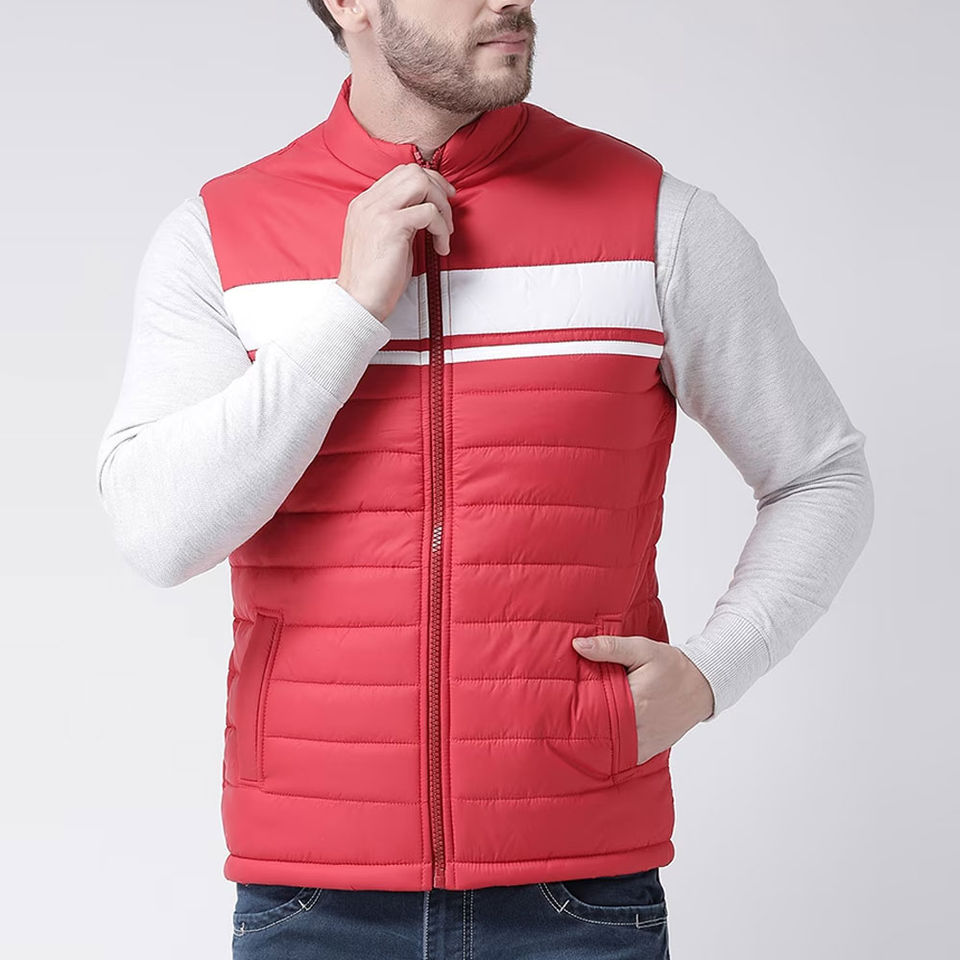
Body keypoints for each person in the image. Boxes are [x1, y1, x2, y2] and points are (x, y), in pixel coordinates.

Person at [94, 2, 874, 957]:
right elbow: (157, 533)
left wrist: (714, 673)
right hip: (311, 901)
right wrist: (347, 313)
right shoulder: (220, 235)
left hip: (577, 900)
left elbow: (821, 474)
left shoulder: (657, 222)